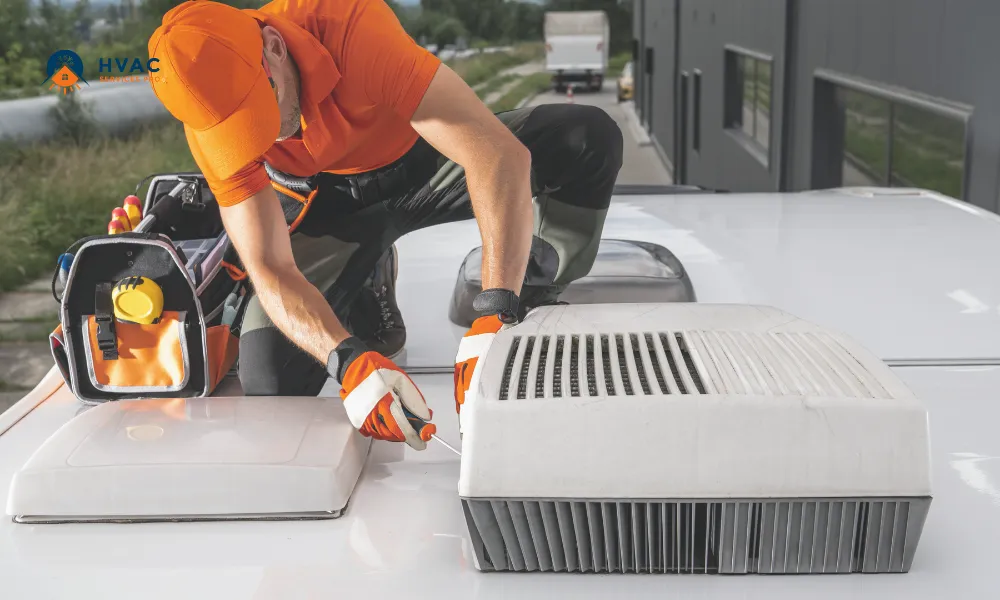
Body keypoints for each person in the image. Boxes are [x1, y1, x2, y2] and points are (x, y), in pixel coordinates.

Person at [148, 0, 623, 450]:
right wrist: (348, 361)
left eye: (262, 107)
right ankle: (370, 269)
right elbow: (269, 265)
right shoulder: (209, 121)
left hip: (429, 161)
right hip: (332, 207)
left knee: (587, 139)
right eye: (242, 131)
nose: (269, 134)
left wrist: (494, 311)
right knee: (271, 374)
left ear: (273, 45)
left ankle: (528, 287)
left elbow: (495, 154)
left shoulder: (347, 24)